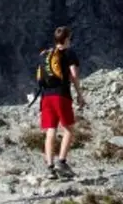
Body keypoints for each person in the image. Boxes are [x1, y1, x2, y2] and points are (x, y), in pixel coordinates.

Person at [37, 26, 84, 178]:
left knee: (51, 130)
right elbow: (74, 75)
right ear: (67, 39)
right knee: (69, 129)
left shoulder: (46, 54)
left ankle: (50, 167)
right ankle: (62, 162)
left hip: (45, 97)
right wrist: (80, 94)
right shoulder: (69, 53)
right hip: (61, 95)